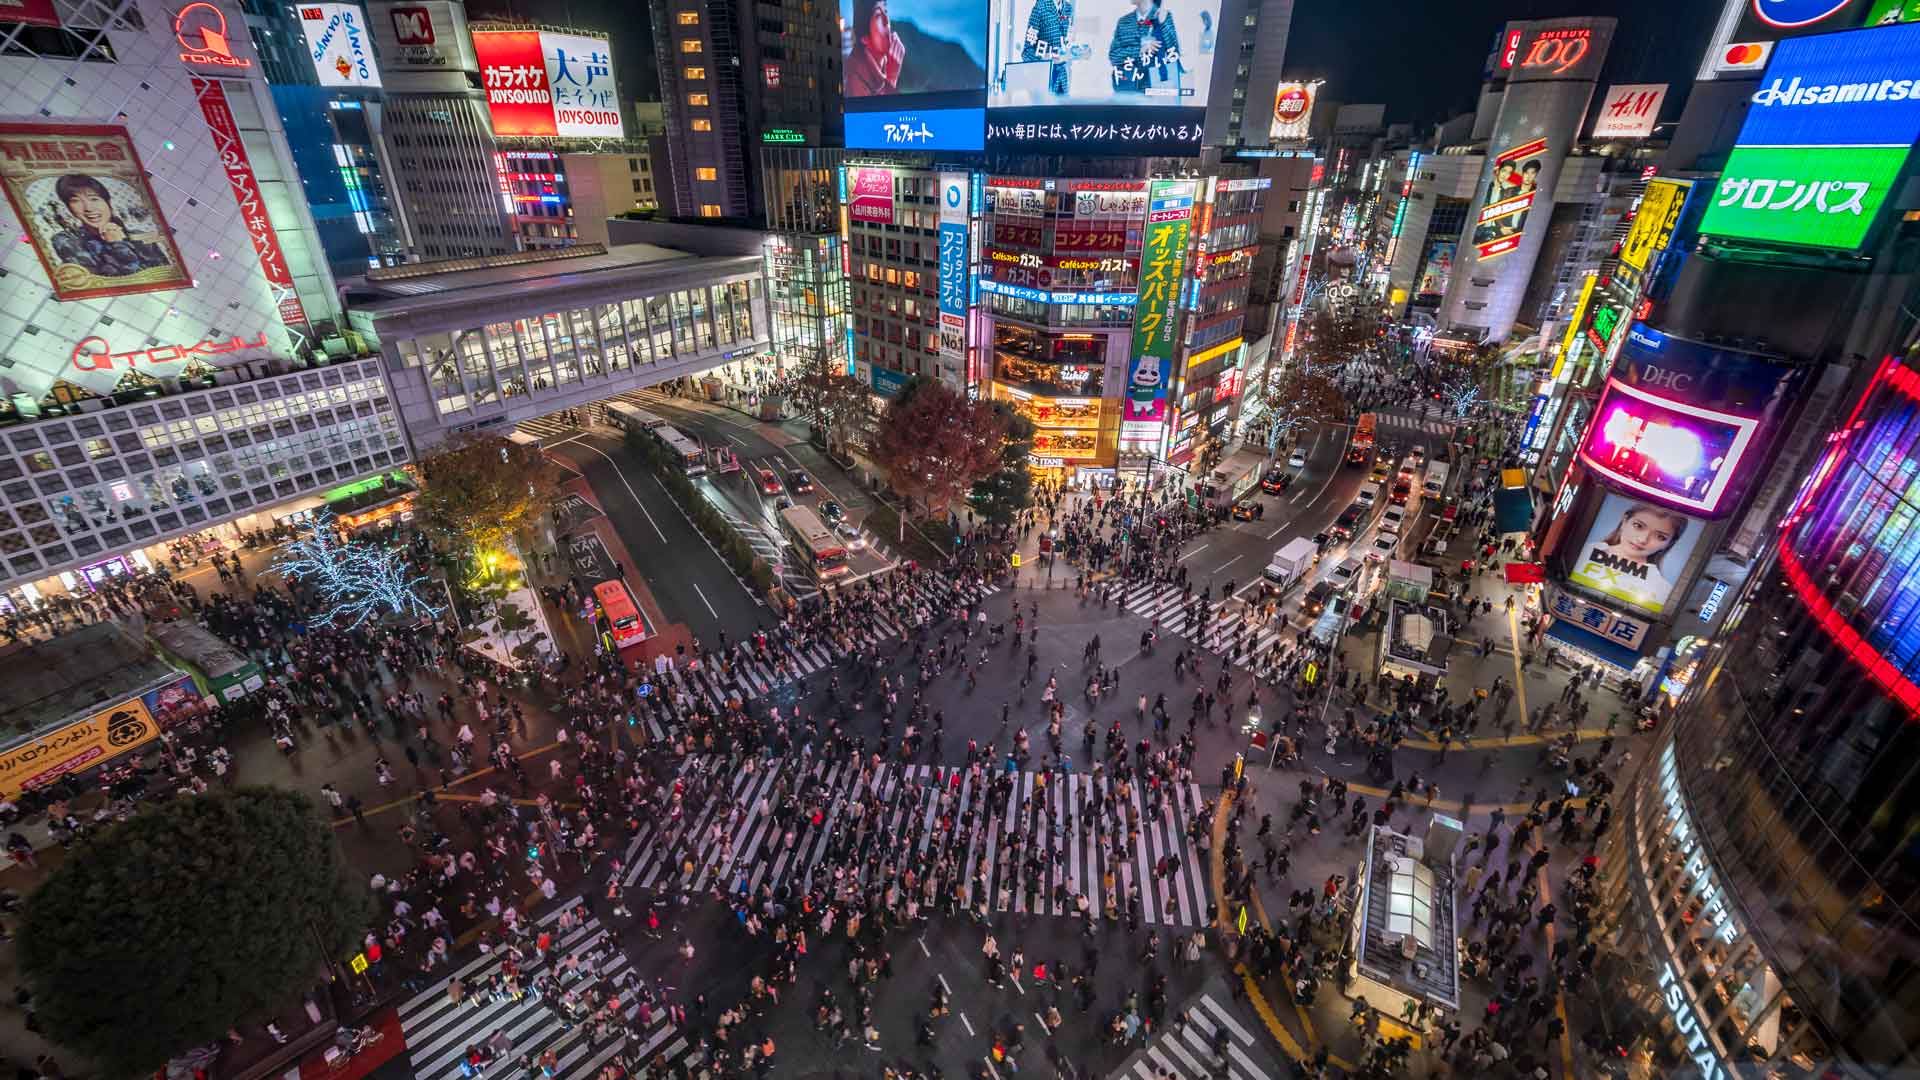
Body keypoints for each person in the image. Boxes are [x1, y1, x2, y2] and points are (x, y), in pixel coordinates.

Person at [47, 175, 173, 279]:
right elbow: (104, 280)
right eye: (76, 201)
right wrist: (117, 245)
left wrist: (118, 242)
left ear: (107, 202)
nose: (88, 208)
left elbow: (164, 275)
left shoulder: (139, 236)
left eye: (94, 199)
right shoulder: (66, 240)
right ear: (69, 208)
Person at [1571, 502, 1686, 607]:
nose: (1643, 540)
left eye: (1660, 537)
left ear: (1669, 543)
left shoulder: (1663, 590)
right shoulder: (1582, 550)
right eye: (1638, 526)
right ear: (1624, 521)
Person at [1107, 0, 1181, 95]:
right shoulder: (1124, 22)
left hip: (1155, 91)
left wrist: (1163, 23)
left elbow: (1174, 53)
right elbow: (1114, 56)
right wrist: (1139, 50)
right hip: (1126, 91)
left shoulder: (1164, 17)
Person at [844, 0, 904, 97]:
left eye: (886, 10)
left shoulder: (885, 63)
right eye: (878, 16)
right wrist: (892, 77)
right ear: (865, 38)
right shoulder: (854, 77)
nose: (887, 21)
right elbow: (883, 111)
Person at [1020, 0, 1077, 96]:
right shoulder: (1040, 7)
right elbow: (1027, 52)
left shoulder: (1068, 8)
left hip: (1062, 79)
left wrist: (1075, 52)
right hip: (1042, 79)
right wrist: (1048, 58)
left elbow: (1066, 41)